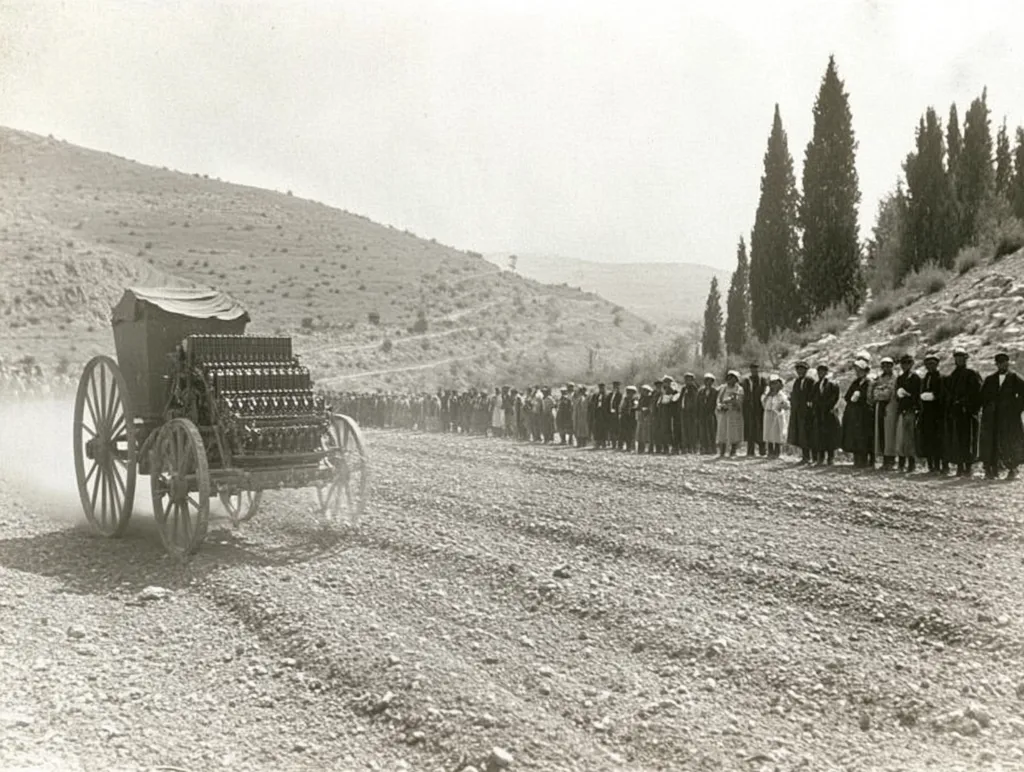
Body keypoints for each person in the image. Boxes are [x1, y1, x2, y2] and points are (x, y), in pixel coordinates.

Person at [979, 351, 1024, 480]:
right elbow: (982, 397)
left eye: (1004, 362)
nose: (1002, 365)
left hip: (1009, 418)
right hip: (993, 418)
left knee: (1010, 441)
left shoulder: (1015, 378)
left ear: (1008, 363)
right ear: (996, 364)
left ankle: (1012, 468)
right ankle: (992, 470)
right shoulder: (990, 379)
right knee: (992, 442)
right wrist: (988, 408)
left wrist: (1016, 409)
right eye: (999, 363)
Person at [943, 346, 982, 477]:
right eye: (957, 357)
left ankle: (969, 466)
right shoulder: (952, 376)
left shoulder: (972, 374)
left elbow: (977, 393)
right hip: (956, 412)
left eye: (961, 357)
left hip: (968, 412)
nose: (959, 360)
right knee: (957, 439)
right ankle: (960, 466)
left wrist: (968, 406)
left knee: (969, 439)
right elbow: (948, 393)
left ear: (966, 358)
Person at [841, 358, 874, 468]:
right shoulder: (855, 382)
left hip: (865, 413)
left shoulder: (869, 382)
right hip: (855, 413)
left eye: (860, 370)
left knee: (864, 435)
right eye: (857, 370)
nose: (858, 372)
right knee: (855, 435)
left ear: (865, 371)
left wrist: (859, 398)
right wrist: (853, 397)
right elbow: (847, 396)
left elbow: (869, 397)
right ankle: (857, 459)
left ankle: (865, 460)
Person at [917, 352, 947, 474]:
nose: (930, 366)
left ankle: (941, 465)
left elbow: (944, 395)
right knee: (928, 438)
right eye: (927, 364)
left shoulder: (941, 378)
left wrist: (934, 396)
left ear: (937, 364)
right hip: (926, 413)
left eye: (933, 364)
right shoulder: (924, 379)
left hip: (937, 413)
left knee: (939, 439)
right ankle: (931, 465)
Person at [870, 357, 899, 471]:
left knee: (890, 434)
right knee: (881, 433)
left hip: (890, 407)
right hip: (880, 407)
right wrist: (881, 391)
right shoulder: (879, 378)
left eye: (888, 365)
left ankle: (891, 460)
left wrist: (880, 391)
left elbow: (888, 393)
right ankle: (884, 460)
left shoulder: (895, 378)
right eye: (884, 365)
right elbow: (875, 393)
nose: (886, 368)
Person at [894, 353, 921, 473]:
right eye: (903, 363)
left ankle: (911, 463)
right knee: (901, 437)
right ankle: (901, 462)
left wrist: (908, 395)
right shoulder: (900, 378)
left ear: (912, 364)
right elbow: (896, 394)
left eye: (907, 363)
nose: (905, 365)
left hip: (911, 409)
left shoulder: (915, 378)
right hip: (902, 409)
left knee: (910, 437)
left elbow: (917, 395)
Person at [810, 363, 840, 466]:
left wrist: (827, 406)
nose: (820, 373)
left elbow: (835, 397)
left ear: (826, 372)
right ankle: (820, 457)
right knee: (820, 436)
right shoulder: (816, 385)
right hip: (819, 413)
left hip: (828, 413)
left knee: (830, 436)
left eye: (823, 371)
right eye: (819, 371)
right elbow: (813, 398)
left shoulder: (832, 384)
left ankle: (830, 458)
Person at [787, 361, 813, 464]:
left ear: (806, 370)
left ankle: (811, 457)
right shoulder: (797, 381)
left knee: (808, 434)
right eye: (798, 370)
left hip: (807, 412)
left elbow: (811, 395)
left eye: (802, 369)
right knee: (801, 434)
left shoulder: (810, 381)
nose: (799, 372)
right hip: (798, 412)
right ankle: (804, 456)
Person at [742, 363, 769, 457]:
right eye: (752, 369)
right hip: (749, 408)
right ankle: (750, 451)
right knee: (750, 429)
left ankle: (762, 450)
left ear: (758, 370)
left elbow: (765, 391)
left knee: (760, 428)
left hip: (760, 408)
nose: (754, 371)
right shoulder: (746, 380)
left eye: (755, 369)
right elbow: (744, 393)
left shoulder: (762, 380)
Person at [716, 370, 744, 457]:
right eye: (728, 377)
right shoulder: (723, 388)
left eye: (732, 378)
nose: (730, 379)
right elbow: (719, 399)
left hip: (733, 412)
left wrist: (733, 401)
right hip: (724, 412)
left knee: (733, 431)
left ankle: (733, 450)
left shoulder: (739, 389)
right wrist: (720, 406)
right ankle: (722, 450)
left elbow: (739, 400)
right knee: (722, 431)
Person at [760, 374, 790, 458]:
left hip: (777, 415)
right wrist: (768, 395)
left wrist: (782, 406)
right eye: (772, 383)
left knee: (777, 432)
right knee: (768, 432)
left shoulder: (781, 395)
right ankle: (770, 451)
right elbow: (763, 403)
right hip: (768, 413)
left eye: (775, 383)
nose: (773, 385)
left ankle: (777, 451)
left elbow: (787, 405)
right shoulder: (766, 394)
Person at [697, 374, 718, 454]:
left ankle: (712, 448)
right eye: (706, 380)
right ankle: (703, 448)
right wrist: (697, 415)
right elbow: (697, 404)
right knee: (702, 432)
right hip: (702, 414)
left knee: (711, 431)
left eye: (710, 381)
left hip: (711, 414)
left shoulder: (715, 392)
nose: (708, 382)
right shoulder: (701, 392)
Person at [680, 373, 700, 453]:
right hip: (684, 412)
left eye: (689, 379)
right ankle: (686, 447)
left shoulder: (694, 388)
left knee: (692, 430)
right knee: (685, 430)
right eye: (686, 379)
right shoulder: (684, 388)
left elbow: (695, 401)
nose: (687, 381)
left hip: (692, 412)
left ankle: (693, 447)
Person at [636, 384, 655, 454]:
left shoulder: (650, 398)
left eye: (645, 391)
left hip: (647, 416)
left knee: (646, 433)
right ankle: (640, 448)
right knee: (640, 433)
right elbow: (639, 406)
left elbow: (650, 407)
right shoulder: (641, 398)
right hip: (641, 416)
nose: (643, 392)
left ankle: (647, 448)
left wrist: (646, 410)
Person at [620, 385, 639, 451]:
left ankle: (632, 446)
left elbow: (636, 407)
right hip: (625, 417)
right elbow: (622, 407)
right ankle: (628, 446)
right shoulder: (625, 399)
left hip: (632, 417)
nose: (629, 394)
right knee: (626, 432)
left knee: (632, 432)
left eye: (631, 392)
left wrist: (632, 408)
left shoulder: (635, 399)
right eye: (628, 392)